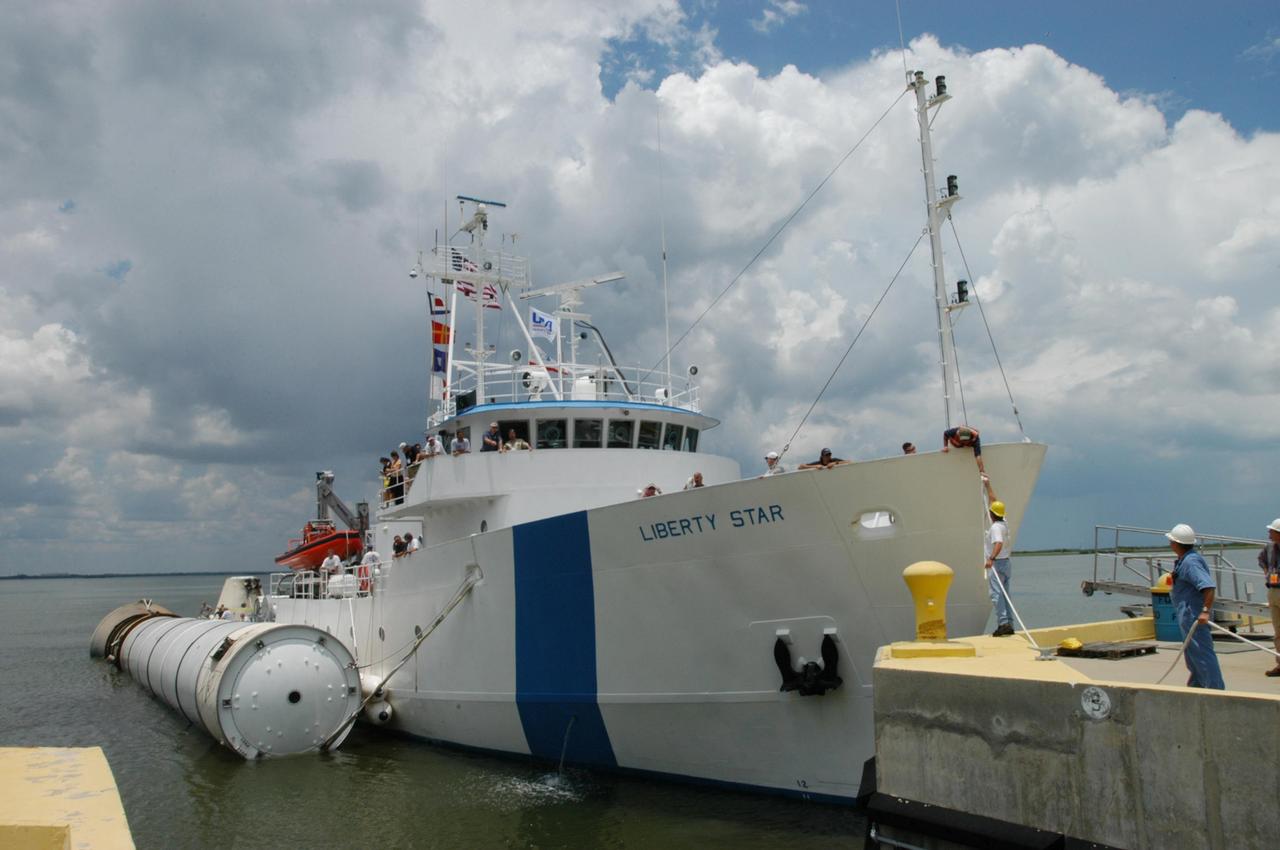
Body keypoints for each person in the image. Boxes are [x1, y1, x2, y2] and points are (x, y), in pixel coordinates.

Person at [1166, 523, 1225, 690]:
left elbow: (1208, 587)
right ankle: (1196, 686)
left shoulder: (1191, 563)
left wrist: (1205, 611)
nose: (1170, 544)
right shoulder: (1184, 561)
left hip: (1194, 616)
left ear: (1176, 543)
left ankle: (1215, 690)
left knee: (1202, 655)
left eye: (1171, 541)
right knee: (1192, 655)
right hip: (1187, 615)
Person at [982, 475, 1014, 636]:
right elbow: (994, 502)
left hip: (998, 564)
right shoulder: (1004, 522)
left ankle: (1003, 624)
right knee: (1005, 594)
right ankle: (1010, 623)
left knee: (996, 595)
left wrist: (990, 559)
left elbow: (998, 544)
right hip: (1006, 563)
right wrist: (988, 486)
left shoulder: (995, 528)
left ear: (992, 514)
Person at [1258, 518, 1280, 676]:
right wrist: (1267, 571)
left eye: (1271, 531)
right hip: (1273, 590)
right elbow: (1261, 559)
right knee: (1278, 630)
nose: (1269, 533)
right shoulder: (1269, 548)